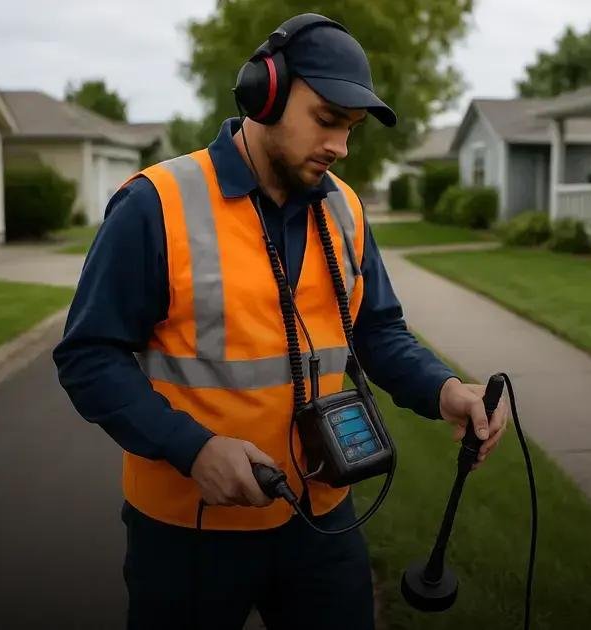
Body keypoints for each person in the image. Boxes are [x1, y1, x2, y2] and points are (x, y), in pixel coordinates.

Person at [53, 13, 508, 630]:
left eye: (349, 130)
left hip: (322, 519)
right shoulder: (155, 204)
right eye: (326, 121)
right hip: (188, 530)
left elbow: (377, 332)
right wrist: (194, 449)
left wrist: (445, 391)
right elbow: (88, 357)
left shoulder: (344, 207)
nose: (340, 146)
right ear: (263, 94)